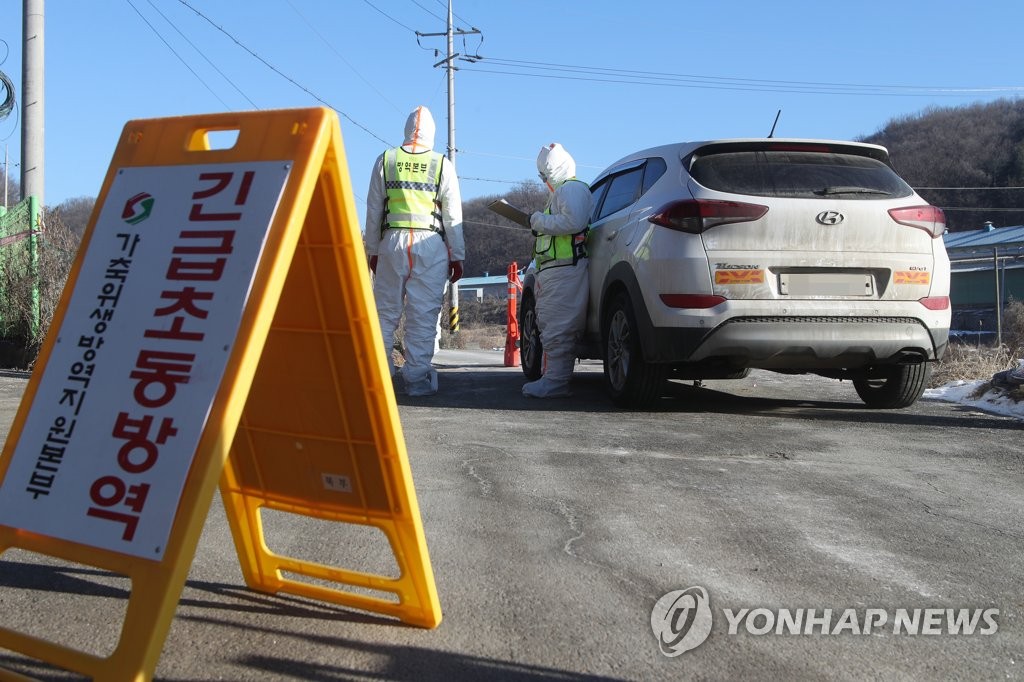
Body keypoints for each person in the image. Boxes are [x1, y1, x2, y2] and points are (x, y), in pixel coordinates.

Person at [365, 105, 464, 397]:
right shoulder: (442, 164)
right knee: (422, 316)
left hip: (391, 242)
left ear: (406, 129)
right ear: (431, 134)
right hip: (430, 245)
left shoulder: (386, 160)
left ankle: (379, 380)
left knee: (384, 315)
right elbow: (453, 216)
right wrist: (457, 254)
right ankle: (417, 382)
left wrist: (373, 250)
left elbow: (373, 212)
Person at [523, 142, 594, 399]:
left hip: (565, 269)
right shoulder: (561, 192)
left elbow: (573, 222)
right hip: (554, 270)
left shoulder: (571, 189)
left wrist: (537, 220)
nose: (543, 180)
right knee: (552, 326)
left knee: (559, 328)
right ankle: (551, 379)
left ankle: (555, 382)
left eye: (545, 174)